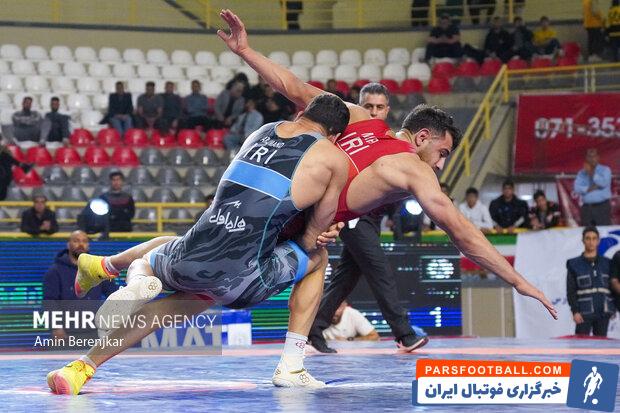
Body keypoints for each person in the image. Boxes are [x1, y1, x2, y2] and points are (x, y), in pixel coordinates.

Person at [217, 9, 557, 387]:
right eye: (442, 154)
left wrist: (245, 51)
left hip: (251, 201)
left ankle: (296, 355)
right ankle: (294, 363)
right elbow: (461, 231)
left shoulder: (358, 116)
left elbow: (293, 87)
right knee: (308, 261)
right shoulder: (413, 167)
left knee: (194, 274)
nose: (440, 165)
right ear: (422, 137)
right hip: (278, 233)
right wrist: (517, 280)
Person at [46, 93, 351, 394]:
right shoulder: (334, 157)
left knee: (153, 260)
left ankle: (90, 352)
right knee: (318, 258)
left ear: (300, 115)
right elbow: (314, 233)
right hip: (243, 280)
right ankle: (292, 366)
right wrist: (307, 235)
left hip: (192, 256)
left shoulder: (264, 131)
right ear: (335, 136)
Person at [309, 83, 422, 354]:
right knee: (380, 270)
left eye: (379, 107)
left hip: (371, 217)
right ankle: (404, 334)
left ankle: (314, 328)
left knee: (346, 277)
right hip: (353, 216)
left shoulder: (388, 139)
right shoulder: (346, 135)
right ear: (359, 107)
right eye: (368, 106)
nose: (373, 112)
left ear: (387, 110)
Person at [43, 230, 119, 340]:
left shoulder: (97, 269)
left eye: (84, 241)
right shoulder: (55, 271)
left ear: (88, 245)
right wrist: (56, 327)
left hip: (95, 331)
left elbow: (114, 293)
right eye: (76, 241)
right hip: (67, 334)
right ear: (68, 245)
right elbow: (50, 302)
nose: (81, 244)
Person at [566, 226, 615, 337]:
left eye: (594, 238)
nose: (591, 242)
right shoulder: (574, 264)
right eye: (588, 238)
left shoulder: (608, 263)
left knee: (602, 344)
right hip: (583, 312)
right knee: (581, 344)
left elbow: (612, 287)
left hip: (603, 311)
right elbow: (571, 290)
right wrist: (575, 311)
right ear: (583, 240)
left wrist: (613, 307)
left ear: (598, 241)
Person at [573, 148, 612, 226]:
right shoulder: (581, 173)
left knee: (602, 230)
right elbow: (576, 188)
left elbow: (604, 183)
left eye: (594, 156)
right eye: (589, 156)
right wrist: (591, 188)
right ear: (586, 158)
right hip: (587, 208)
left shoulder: (605, 170)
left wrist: (591, 172)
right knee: (587, 231)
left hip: (602, 207)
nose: (591, 159)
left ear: (598, 157)